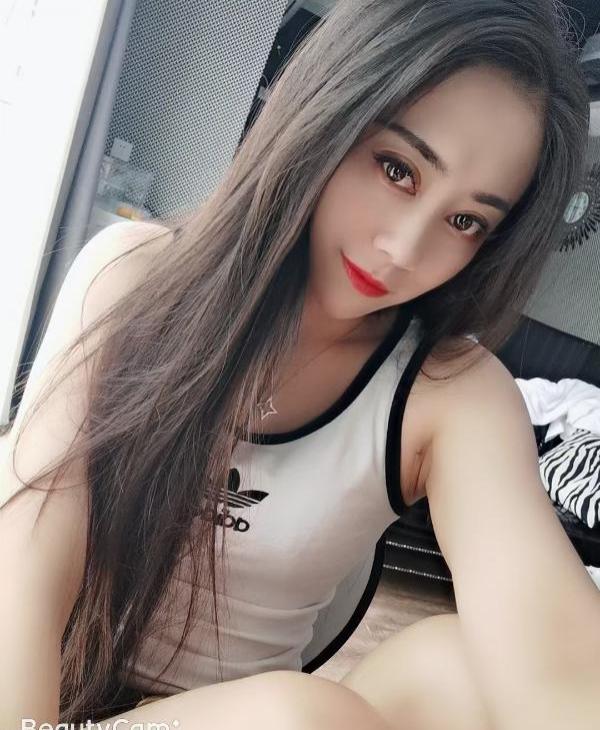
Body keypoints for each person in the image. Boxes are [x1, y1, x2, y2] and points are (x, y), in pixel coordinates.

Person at [1, 0, 599, 728]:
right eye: (397, 169)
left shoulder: (449, 394)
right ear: (327, 114)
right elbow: (23, 570)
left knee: (455, 673)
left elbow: (561, 655)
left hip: (243, 717)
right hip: (51, 704)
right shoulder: (133, 280)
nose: (405, 248)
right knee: (299, 715)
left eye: (465, 221)